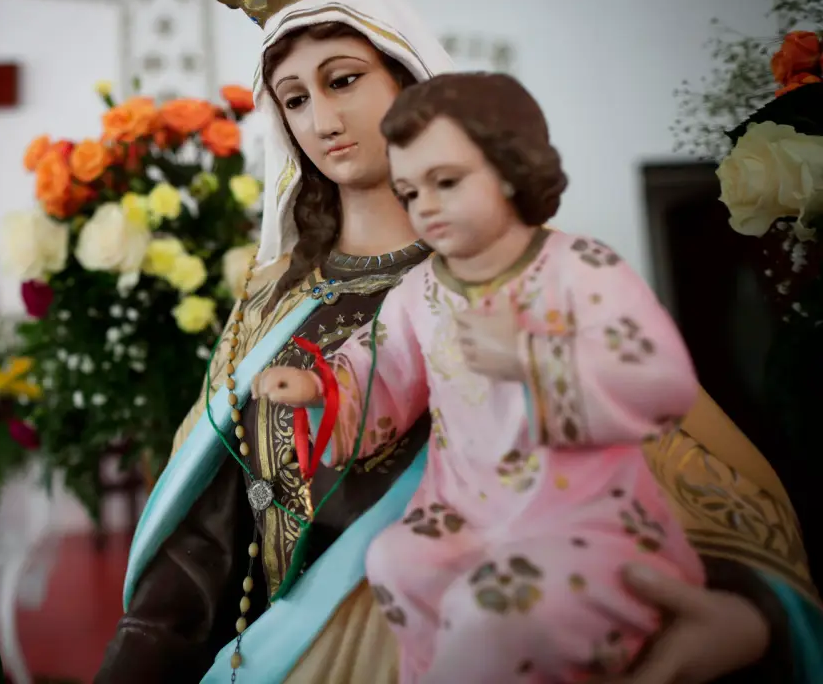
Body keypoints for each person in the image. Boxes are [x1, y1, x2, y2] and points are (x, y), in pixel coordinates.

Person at [97, 0, 823, 684]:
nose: (321, 118)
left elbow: (702, 476)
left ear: (411, 85)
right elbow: (206, 536)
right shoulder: (277, 299)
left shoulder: (523, 275)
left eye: (344, 80)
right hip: (295, 645)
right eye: (295, 98)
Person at [254, 72, 710, 682]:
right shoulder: (421, 289)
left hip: (580, 514)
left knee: (489, 608)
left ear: (510, 168)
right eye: (410, 192)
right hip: (465, 511)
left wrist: (529, 356)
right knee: (396, 562)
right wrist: (322, 388)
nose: (425, 206)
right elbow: (385, 367)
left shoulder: (578, 267)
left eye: (446, 182)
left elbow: (661, 380)